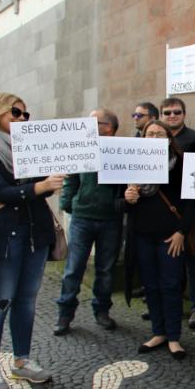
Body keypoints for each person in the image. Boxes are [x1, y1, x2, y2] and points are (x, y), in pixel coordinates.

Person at [0, 92, 65, 389]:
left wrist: (28, 189)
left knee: (27, 300)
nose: (22, 118)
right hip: (1, 237)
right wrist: (34, 187)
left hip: (35, 232)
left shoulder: (29, 147)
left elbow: (26, 190)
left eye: (25, 114)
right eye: (15, 113)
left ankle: (21, 360)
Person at [120, 120, 195, 360]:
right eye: (149, 134)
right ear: (142, 138)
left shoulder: (180, 165)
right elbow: (117, 204)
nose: (153, 137)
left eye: (159, 134)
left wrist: (181, 232)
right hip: (142, 236)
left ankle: (174, 336)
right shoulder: (130, 166)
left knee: (171, 285)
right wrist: (127, 197)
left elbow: (193, 202)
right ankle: (158, 332)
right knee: (150, 286)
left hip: (170, 237)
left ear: (167, 139)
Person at [53, 108, 123, 335]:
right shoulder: (81, 148)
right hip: (82, 218)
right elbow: (71, 179)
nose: (88, 125)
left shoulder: (122, 151)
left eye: (94, 121)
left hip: (110, 220)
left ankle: (102, 310)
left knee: (105, 269)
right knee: (73, 268)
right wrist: (68, 204)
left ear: (109, 128)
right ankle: (65, 314)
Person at [160, 97, 195, 328]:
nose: (172, 116)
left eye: (176, 112)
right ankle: (173, 305)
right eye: (167, 112)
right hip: (162, 211)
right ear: (161, 115)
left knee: (193, 259)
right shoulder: (153, 140)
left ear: (184, 114)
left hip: (189, 210)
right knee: (169, 262)